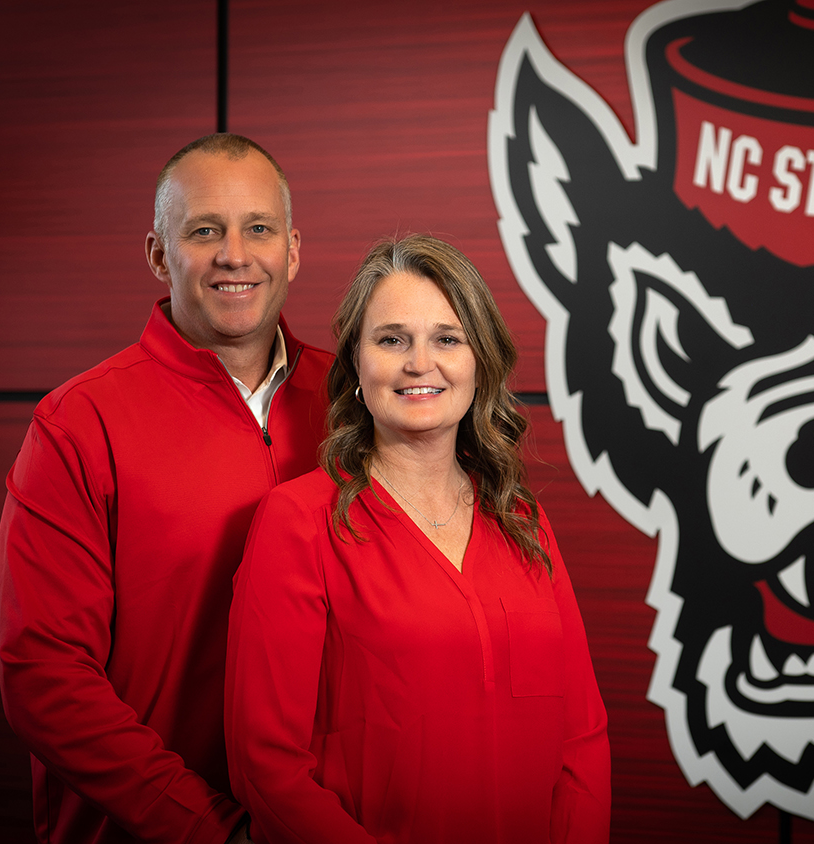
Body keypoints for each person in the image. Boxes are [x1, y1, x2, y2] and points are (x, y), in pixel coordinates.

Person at [0, 133, 334, 844]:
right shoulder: (78, 424)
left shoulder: (360, 403)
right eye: (205, 231)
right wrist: (214, 831)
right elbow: (45, 679)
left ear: (293, 251)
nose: (235, 255)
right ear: (158, 254)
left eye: (259, 229)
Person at [224, 234, 611, 843]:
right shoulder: (297, 522)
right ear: (356, 364)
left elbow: (581, 739)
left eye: (447, 339)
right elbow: (267, 764)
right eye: (391, 339)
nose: (418, 363)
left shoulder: (522, 519)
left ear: (479, 361)